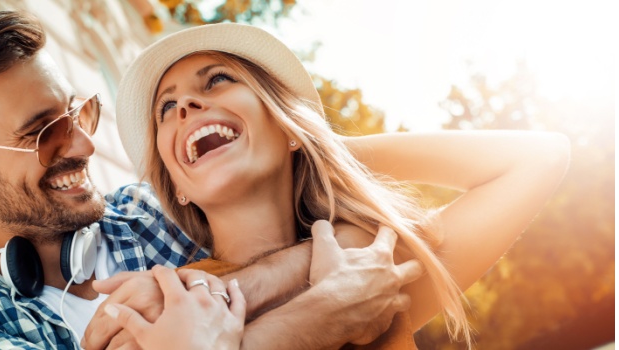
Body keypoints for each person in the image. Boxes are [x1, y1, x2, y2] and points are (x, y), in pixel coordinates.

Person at [0, 11, 422, 349]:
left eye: (77, 115)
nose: (82, 145)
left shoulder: (150, 211)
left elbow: (339, 213)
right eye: (43, 132)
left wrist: (220, 293)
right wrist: (312, 320)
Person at [96, 23, 571, 349]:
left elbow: (539, 158)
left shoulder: (375, 273)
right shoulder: (160, 309)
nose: (186, 106)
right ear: (177, 188)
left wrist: (320, 147)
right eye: (167, 107)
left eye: (217, 80)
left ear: (287, 127)